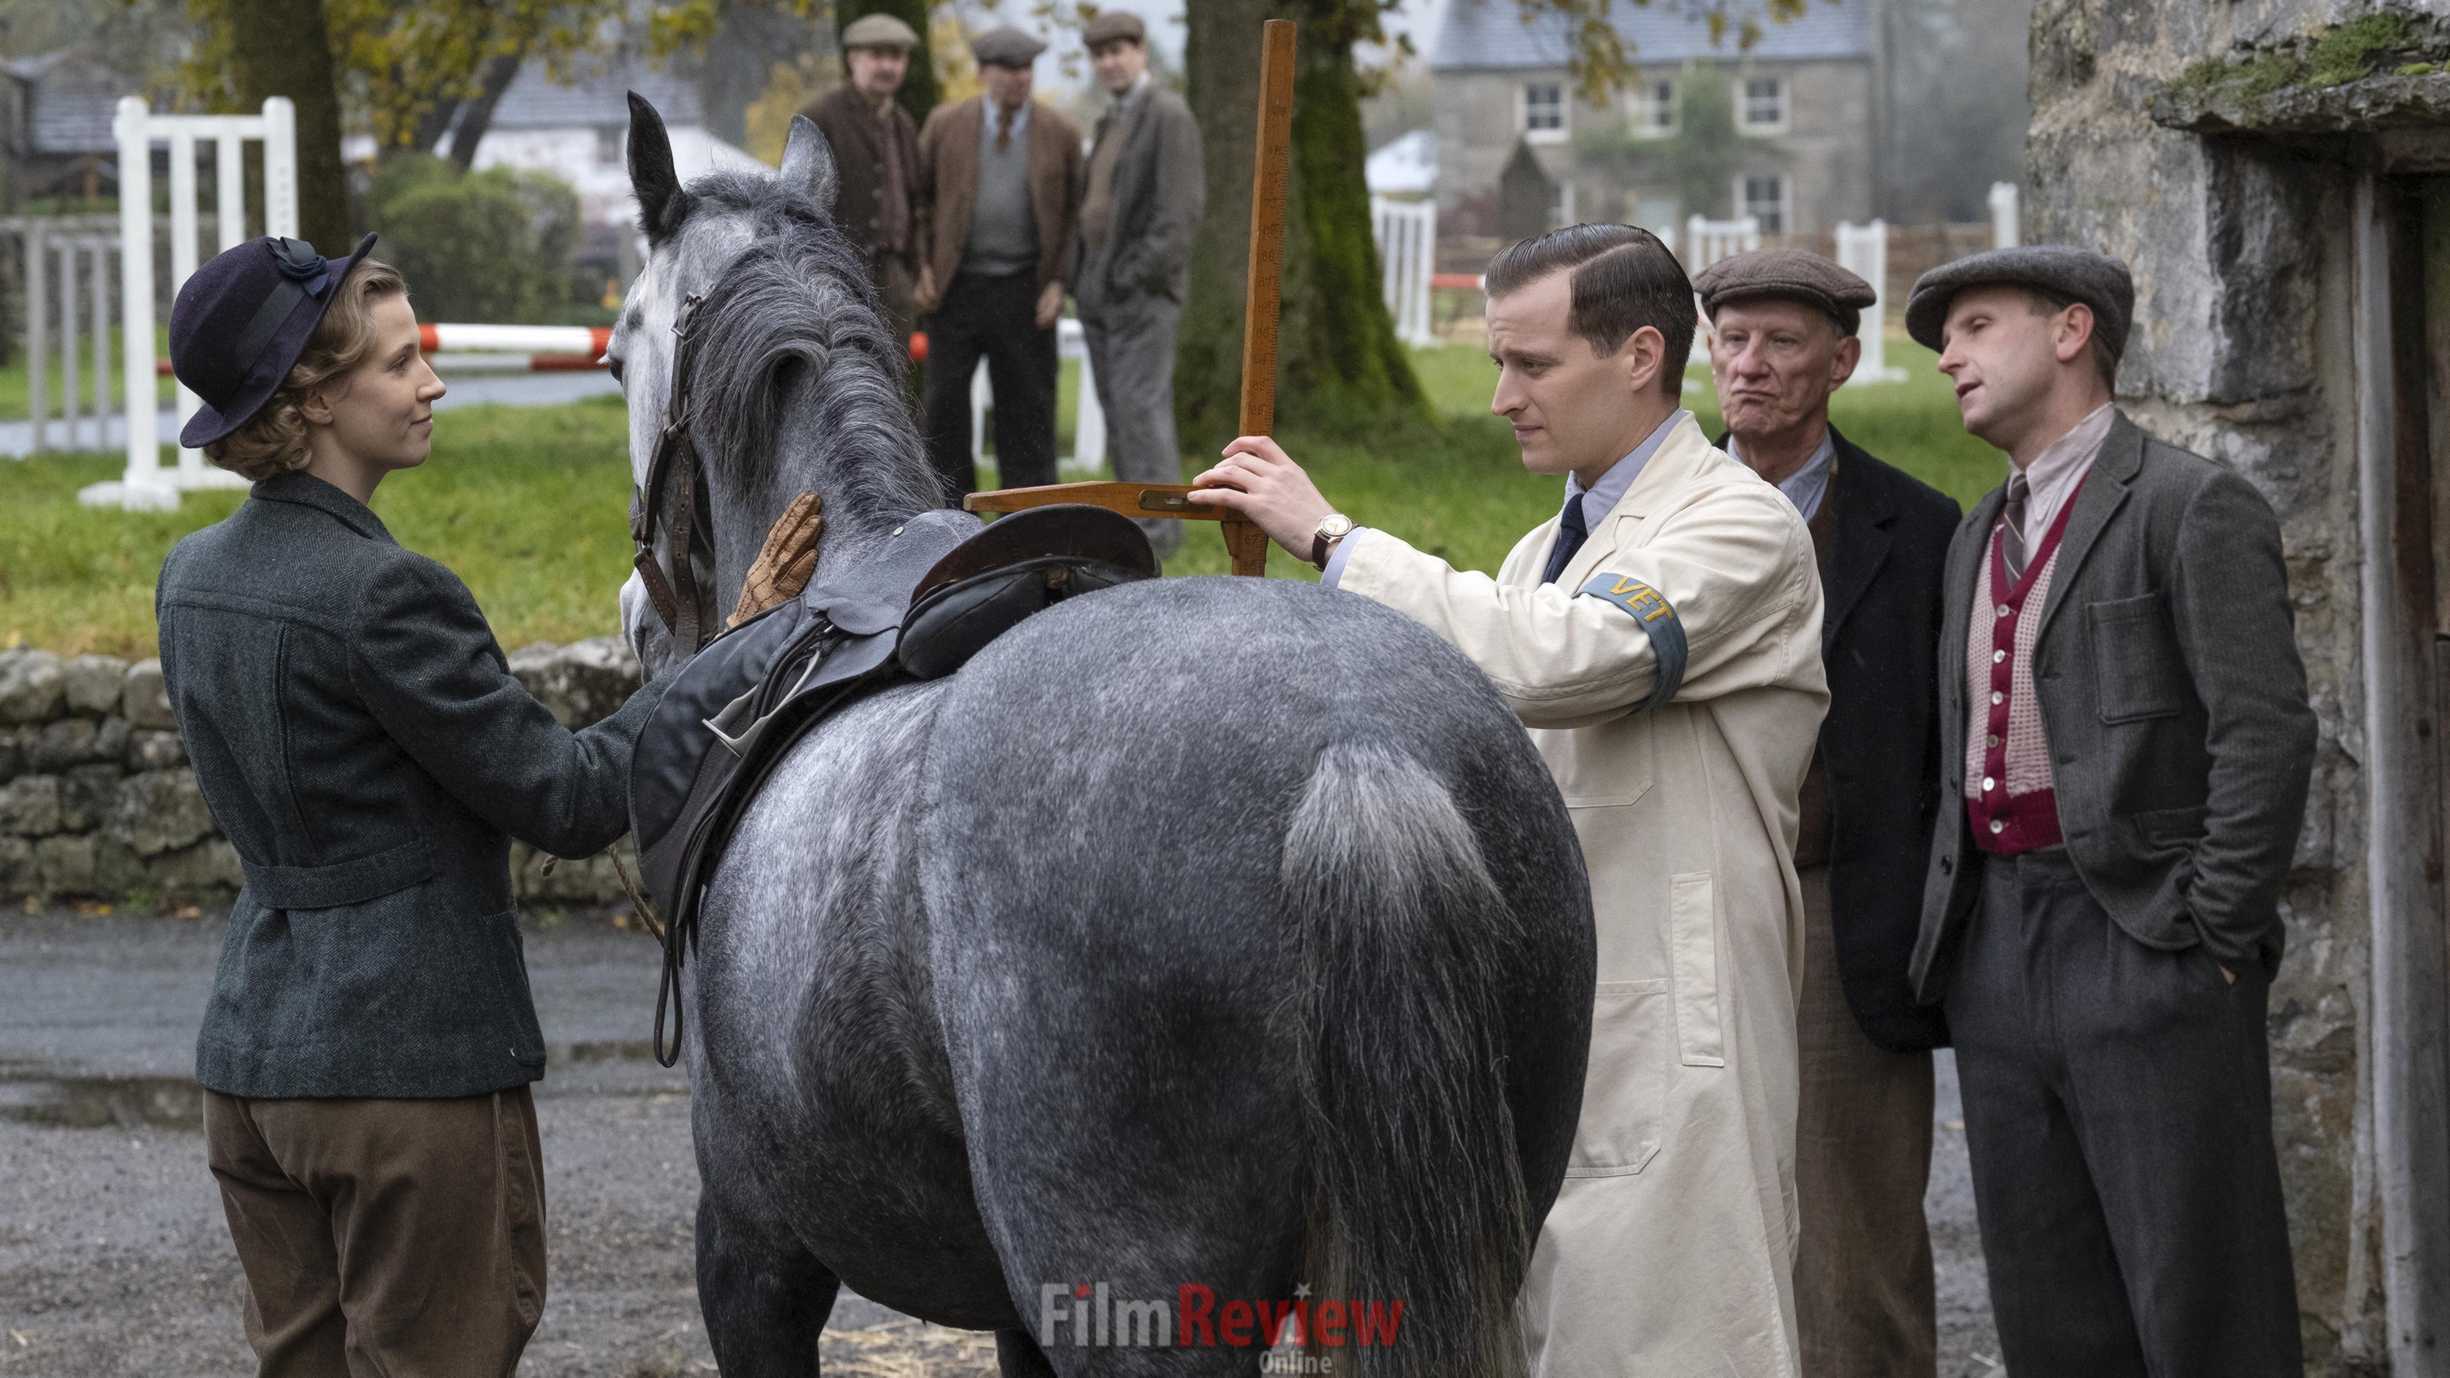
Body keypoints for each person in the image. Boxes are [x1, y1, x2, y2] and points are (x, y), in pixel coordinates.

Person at [1190, 223, 1825, 1377]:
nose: (1498, 398)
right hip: (1554, 1007)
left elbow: (1566, 658)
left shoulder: (1741, 525)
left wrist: (1334, 541)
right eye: (1499, 363)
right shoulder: (1547, 545)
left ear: (1639, 355)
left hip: (1674, 1007)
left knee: (1670, 1337)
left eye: (1530, 365)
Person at [153, 234, 669, 1376]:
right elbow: (573, 797)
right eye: (398, 364)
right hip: (408, 1077)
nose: (431, 382)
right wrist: (729, 655)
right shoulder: (386, 594)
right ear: (313, 399)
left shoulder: (190, 576)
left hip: (253, 1069)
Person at [1903, 245, 2316, 1377]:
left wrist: (2206, 935)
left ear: (2071, 330)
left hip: (2140, 938)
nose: (1947, 357)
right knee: (2047, 1313)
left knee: (2201, 1307)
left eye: (1976, 325)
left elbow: (2265, 731)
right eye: (1947, 339)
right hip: (1996, 947)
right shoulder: (1970, 535)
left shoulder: (2189, 503)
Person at [1694, 247, 1958, 1378]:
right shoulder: (1643, 516)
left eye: (1781, 343)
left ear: (1841, 361)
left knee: (1855, 1255)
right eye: (1731, 339)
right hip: (1686, 903)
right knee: (1683, 1227)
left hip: (1840, 918)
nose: (1748, 366)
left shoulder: (1922, 526)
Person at [913, 24, 1082, 499]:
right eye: (1007, 69)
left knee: (1028, 412)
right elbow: (920, 203)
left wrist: (1058, 284)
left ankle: (1025, 522)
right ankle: (950, 519)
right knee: (944, 409)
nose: (1018, 78)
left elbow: (1075, 217)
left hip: (1026, 290)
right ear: (984, 72)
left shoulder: (1060, 132)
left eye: (1026, 68)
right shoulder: (947, 125)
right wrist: (925, 266)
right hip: (956, 288)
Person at [1074, 9, 1203, 559]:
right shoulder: (1113, 119)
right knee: (1121, 417)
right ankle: (1133, 523)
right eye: (1101, 55)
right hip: (1102, 296)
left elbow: (1179, 215)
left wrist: (1132, 278)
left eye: (1119, 51)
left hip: (1142, 298)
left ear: (1141, 52)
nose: (1110, 62)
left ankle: (1160, 534)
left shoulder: (1167, 115)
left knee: (1141, 415)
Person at [799, 12, 923, 347]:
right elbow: (797, 203)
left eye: (896, 57)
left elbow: (915, 204)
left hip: (894, 278)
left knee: (890, 378)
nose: (887, 66)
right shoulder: (821, 117)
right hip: (833, 275)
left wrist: (916, 271)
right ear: (853, 60)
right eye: (877, 56)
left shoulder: (903, 124)